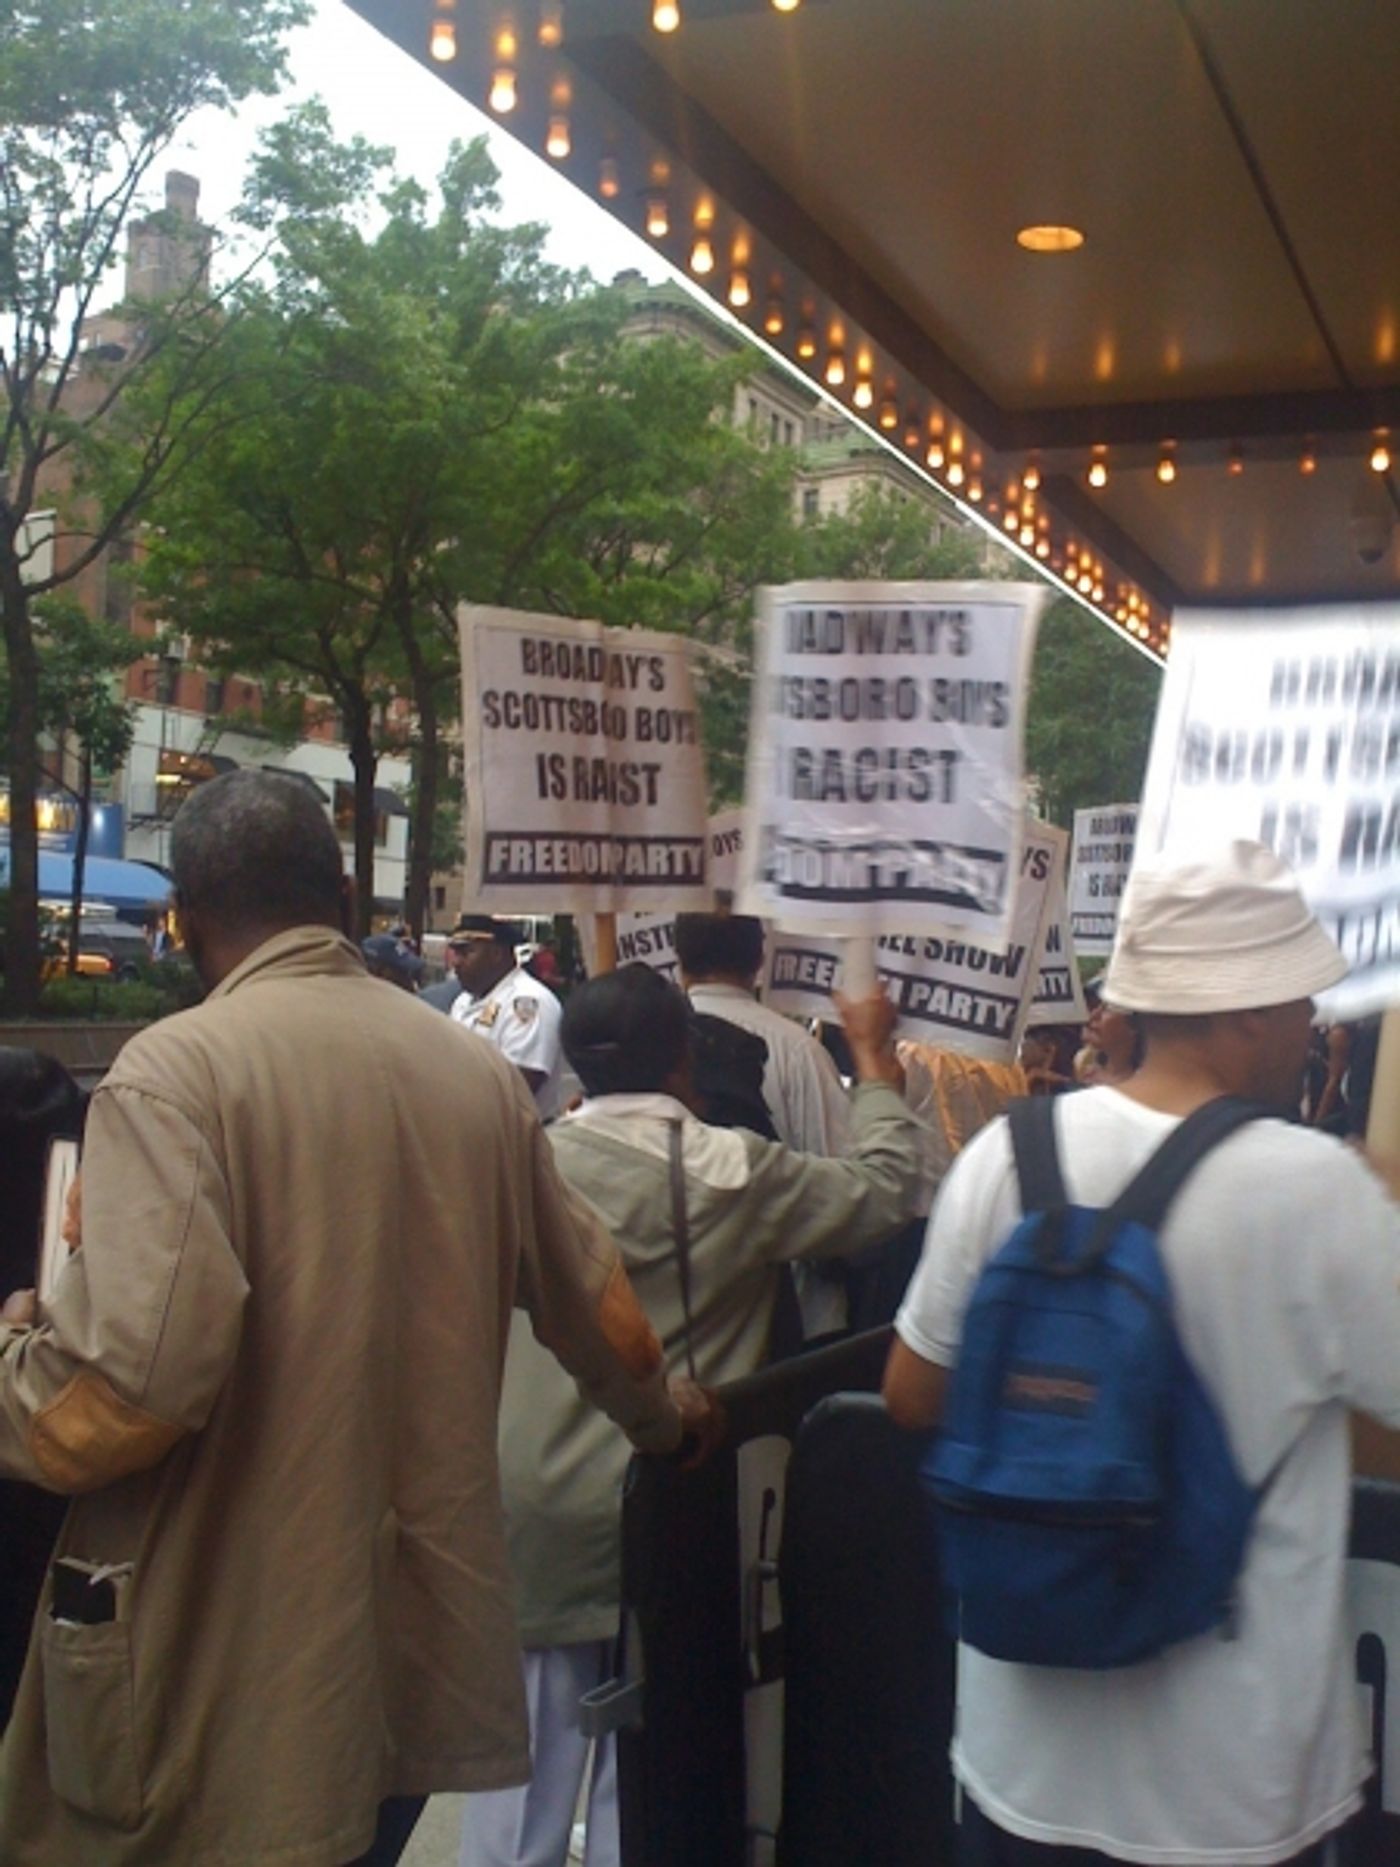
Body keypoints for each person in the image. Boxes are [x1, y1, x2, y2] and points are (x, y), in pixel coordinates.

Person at [0, 770, 708, 1867]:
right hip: (400, 1664)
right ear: (342, 893)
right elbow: (605, 1321)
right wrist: (671, 1424)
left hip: (213, 1679)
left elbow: (126, 1393)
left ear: (182, 917)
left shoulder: (171, 1074)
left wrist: (16, 1357)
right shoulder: (472, 1075)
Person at [884, 840, 1400, 1867]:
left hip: (1018, 1763)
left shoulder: (1007, 1154)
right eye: (1300, 999)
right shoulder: (1319, 1189)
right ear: (1248, 1007)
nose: (1311, 1023)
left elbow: (908, 1395)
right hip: (1234, 1783)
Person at [460, 963, 922, 1867]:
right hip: (674, 1509)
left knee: (518, 1792)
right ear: (684, 1056)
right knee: (647, 1788)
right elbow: (883, 1191)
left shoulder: (515, 1169)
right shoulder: (732, 1171)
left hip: (530, 1513)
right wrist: (873, 1065)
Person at [676, 912, 854, 1335]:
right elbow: (841, 1187)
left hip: (682, 1316)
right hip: (793, 1316)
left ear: (679, 958)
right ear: (760, 958)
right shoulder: (800, 1052)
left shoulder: (651, 1047)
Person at [449, 915, 565, 1118]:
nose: (456, 963)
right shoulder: (463, 1001)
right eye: (455, 953)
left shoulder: (528, 1002)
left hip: (515, 1140)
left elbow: (520, 1086)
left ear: (496, 954)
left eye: (467, 952)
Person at [1077, 980, 1141, 1087]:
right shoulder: (1083, 1071)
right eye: (1094, 1006)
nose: (1093, 1016)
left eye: (1108, 1008)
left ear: (1134, 1024)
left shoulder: (1154, 1086)